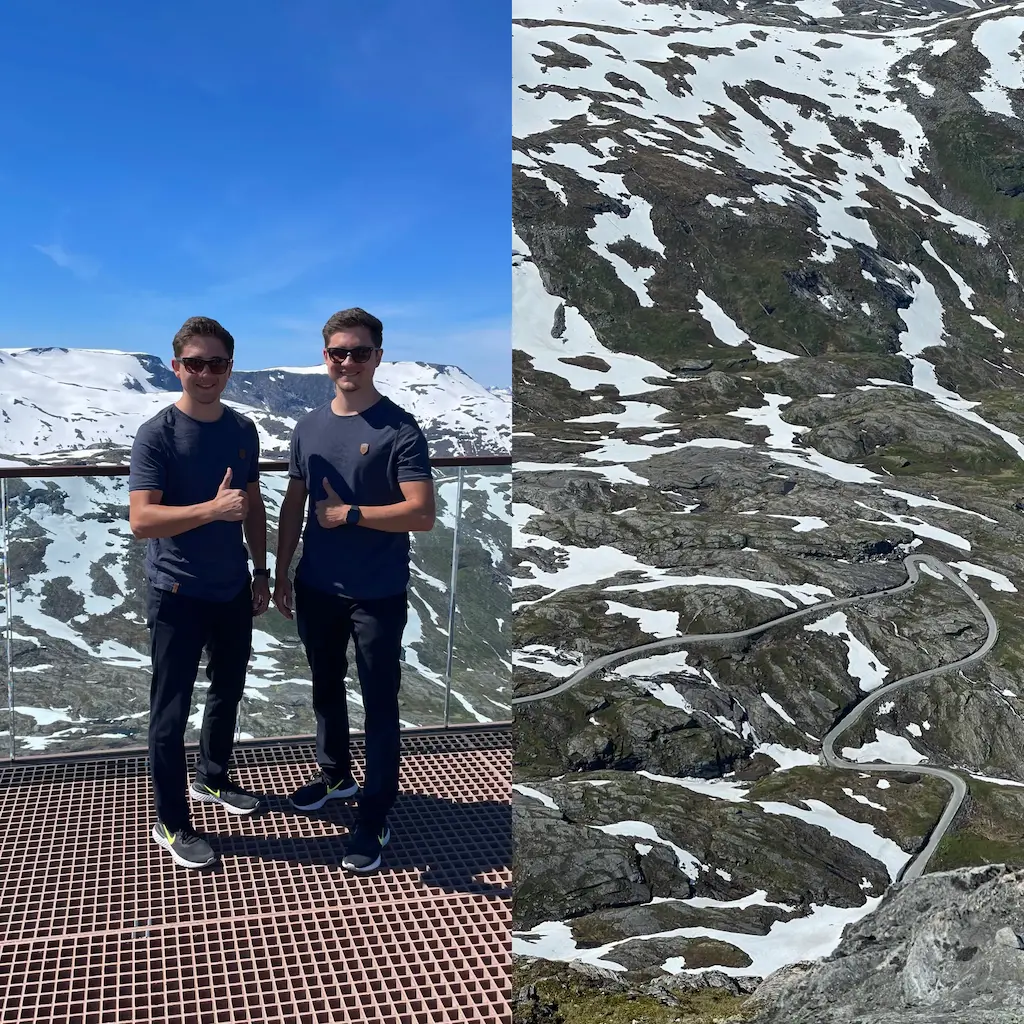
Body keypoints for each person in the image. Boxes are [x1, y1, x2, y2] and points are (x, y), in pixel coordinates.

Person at [273, 307, 435, 874]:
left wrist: (354, 514)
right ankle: (335, 774)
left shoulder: (400, 429)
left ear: (377, 357)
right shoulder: (308, 427)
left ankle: (374, 815)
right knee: (324, 687)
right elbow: (295, 502)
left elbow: (421, 514)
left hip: (377, 592)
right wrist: (280, 569)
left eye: (359, 352)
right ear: (325, 358)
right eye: (338, 352)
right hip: (316, 584)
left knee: (380, 702)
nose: (348, 362)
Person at [128, 316, 270, 870]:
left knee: (227, 690)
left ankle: (212, 780)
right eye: (194, 363)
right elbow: (142, 521)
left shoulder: (242, 430)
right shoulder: (157, 434)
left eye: (215, 363)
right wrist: (211, 510)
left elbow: (252, 505)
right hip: (177, 591)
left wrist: (262, 570)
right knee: (170, 710)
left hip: (232, 585)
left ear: (229, 368)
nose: (205, 373)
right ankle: (171, 821)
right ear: (176, 367)